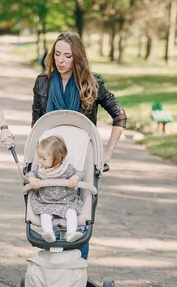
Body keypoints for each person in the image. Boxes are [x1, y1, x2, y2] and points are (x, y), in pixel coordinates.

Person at [31, 32, 128, 259]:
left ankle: (76, 269)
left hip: (80, 161)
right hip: (50, 162)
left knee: (80, 219)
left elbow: (120, 116)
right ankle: (53, 270)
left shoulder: (90, 84)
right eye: (57, 54)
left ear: (77, 58)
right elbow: (37, 124)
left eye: (67, 55)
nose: (61, 60)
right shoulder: (42, 83)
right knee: (50, 216)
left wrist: (107, 153)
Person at [25, 136, 85, 243]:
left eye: (44, 159)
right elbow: (29, 175)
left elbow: (79, 173)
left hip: (66, 201)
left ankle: (71, 233)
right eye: (39, 157)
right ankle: (49, 234)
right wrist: (32, 179)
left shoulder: (66, 169)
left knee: (71, 213)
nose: (40, 161)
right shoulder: (40, 170)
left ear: (58, 159)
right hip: (46, 202)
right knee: (45, 215)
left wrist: (74, 178)